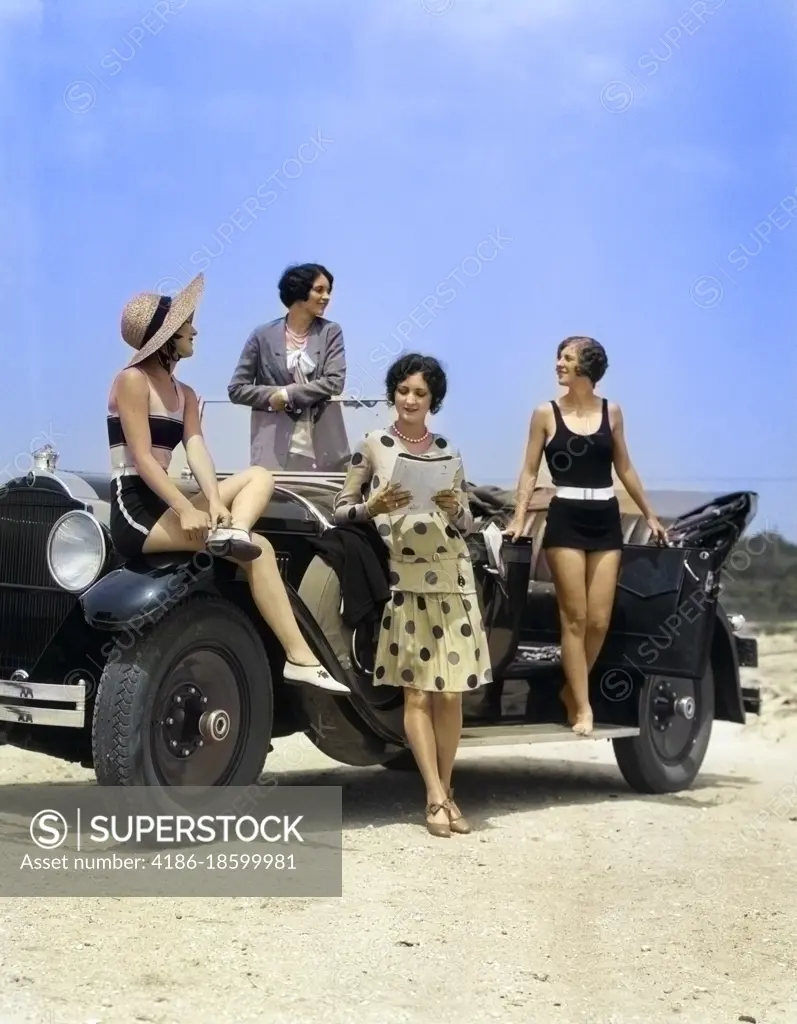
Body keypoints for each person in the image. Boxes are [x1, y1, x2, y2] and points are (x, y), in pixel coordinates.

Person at [107, 272, 349, 694]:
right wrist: (186, 509)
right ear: (166, 336)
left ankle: (232, 531)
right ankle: (299, 656)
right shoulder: (132, 381)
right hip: (138, 507)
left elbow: (196, 449)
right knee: (261, 551)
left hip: (166, 502)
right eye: (186, 326)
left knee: (259, 475)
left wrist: (215, 503)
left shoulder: (185, 392)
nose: (194, 330)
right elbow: (143, 459)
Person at [332, 353, 492, 837]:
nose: (410, 400)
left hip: (454, 574)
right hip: (407, 577)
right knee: (418, 693)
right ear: (393, 393)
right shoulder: (373, 444)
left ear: (432, 400)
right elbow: (340, 511)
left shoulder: (448, 449)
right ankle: (434, 796)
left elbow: (468, 522)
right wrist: (371, 506)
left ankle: (447, 792)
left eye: (420, 393)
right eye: (403, 390)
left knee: (451, 696)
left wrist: (455, 506)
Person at [505, 336, 666, 735]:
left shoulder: (613, 412)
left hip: (605, 516)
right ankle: (582, 705)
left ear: (586, 367)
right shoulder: (544, 413)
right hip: (566, 518)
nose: (558, 363)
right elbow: (529, 471)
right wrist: (519, 517)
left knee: (599, 620)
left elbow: (624, 467)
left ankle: (568, 690)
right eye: (559, 356)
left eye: (567, 357)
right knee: (574, 619)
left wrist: (650, 514)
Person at [227, 263, 350, 471]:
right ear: (299, 291)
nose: (327, 297)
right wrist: (273, 396)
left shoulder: (331, 332)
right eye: (319, 290)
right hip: (273, 446)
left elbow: (335, 381)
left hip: (323, 444)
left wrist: (288, 394)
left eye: (328, 291)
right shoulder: (262, 335)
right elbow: (236, 389)